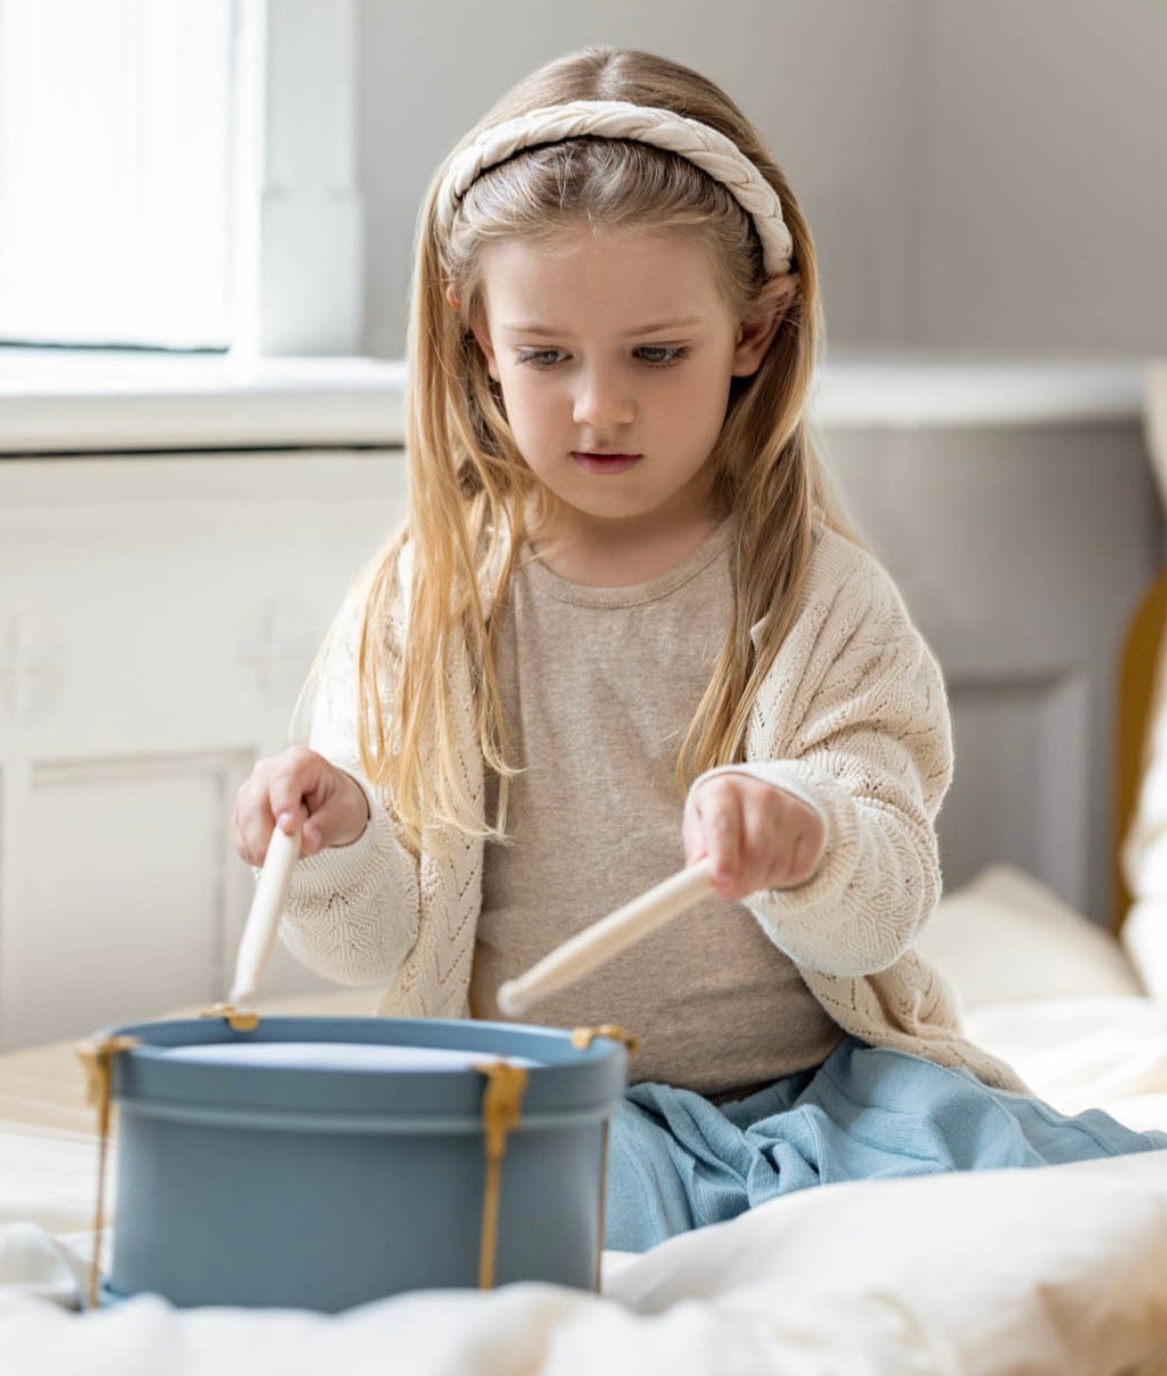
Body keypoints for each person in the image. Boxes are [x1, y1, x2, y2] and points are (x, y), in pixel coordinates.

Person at [231, 45, 1167, 1251]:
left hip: (828, 1093)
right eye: (546, 355)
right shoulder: (430, 602)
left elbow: (879, 912)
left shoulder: (818, 595)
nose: (596, 407)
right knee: (498, 1224)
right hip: (564, 1099)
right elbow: (370, 946)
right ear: (475, 337)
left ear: (754, 332)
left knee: (1046, 1196)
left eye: (654, 354)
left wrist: (809, 837)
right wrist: (335, 839)